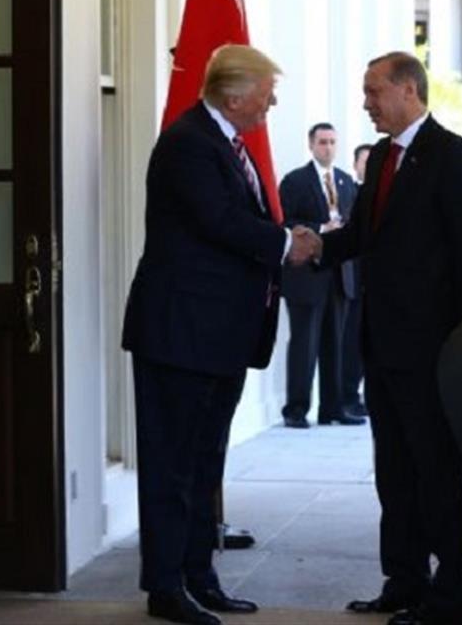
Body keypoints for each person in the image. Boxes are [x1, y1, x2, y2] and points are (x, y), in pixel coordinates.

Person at [121, 44, 319, 625]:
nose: (271, 105)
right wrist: (286, 244)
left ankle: (199, 577)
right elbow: (219, 222)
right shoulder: (188, 144)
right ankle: (166, 587)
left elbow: (241, 220)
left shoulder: (227, 144)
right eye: (266, 94)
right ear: (235, 97)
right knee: (172, 466)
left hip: (219, 336)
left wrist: (286, 237)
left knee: (205, 463)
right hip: (179, 335)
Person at [318, 52, 462, 625]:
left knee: (437, 474)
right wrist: (312, 247)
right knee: (394, 472)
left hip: (432, 351)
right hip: (383, 345)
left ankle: (451, 597)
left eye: (374, 91)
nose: (366, 102)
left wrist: (461, 345)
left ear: (408, 91)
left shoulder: (453, 156)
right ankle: (404, 579)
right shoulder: (383, 158)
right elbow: (362, 236)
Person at [279, 123, 363, 428]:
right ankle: (296, 409)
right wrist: (320, 228)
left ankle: (333, 408)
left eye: (332, 142)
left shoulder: (345, 181)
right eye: (323, 142)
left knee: (335, 344)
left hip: (340, 274)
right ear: (311, 145)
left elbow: (354, 222)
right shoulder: (295, 181)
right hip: (306, 276)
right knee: (305, 344)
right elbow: (285, 220)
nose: (328, 148)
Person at [340, 143, 372, 417]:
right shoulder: (348, 191)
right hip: (350, 280)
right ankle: (347, 396)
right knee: (350, 342)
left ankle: (359, 395)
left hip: (375, 282)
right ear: (356, 165)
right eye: (365, 162)